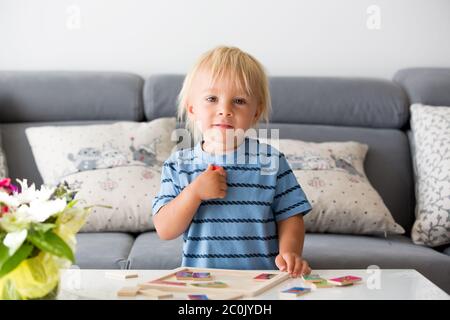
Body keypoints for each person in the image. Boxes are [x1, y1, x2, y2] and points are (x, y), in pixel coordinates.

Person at [152, 46, 312, 277]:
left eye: (238, 100)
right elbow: (165, 229)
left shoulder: (271, 161)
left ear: (255, 113)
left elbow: (290, 217)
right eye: (212, 99)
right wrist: (194, 192)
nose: (224, 110)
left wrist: (290, 253)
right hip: (201, 282)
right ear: (193, 109)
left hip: (261, 281)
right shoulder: (178, 165)